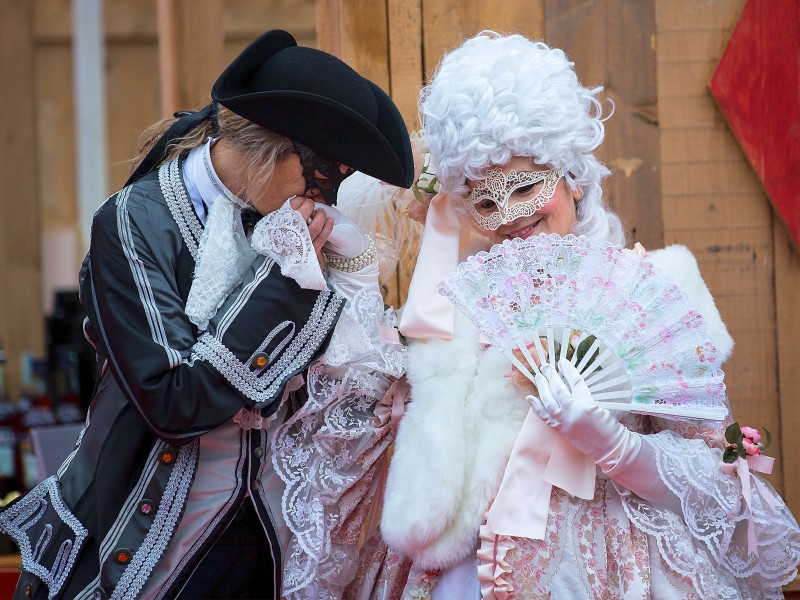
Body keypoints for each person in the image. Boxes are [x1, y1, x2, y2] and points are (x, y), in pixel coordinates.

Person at [345, 32, 800, 599]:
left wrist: (613, 444)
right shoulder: (457, 312)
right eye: (486, 201)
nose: (510, 216)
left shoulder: (655, 287)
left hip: (613, 568)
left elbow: (717, 488)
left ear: (572, 175)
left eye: (525, 187)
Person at [0, 29, 413, 599]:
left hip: (268, 540)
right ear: (272, 151)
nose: (325, 204)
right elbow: (172, 401)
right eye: (319, 178)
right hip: (148, 532)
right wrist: (283, 282)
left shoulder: (299, 230)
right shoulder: (131, 223)